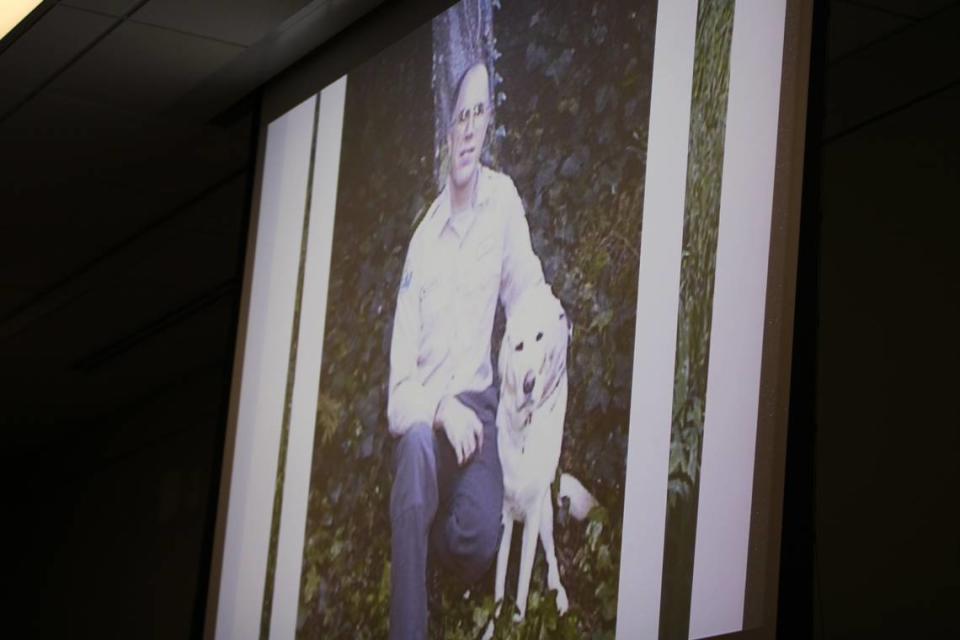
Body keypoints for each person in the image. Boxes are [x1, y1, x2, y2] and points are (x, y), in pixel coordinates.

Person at [387, 60, 546, 639]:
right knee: (412, 457)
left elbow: (526, 290)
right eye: (461, 116)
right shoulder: (422, 243)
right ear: (447, 130)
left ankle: (428, 532)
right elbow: (398, 392)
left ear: (487, 127)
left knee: (477, 539)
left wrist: (551, 329)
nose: (470, 128)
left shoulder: (501, 203)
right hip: (430, 428)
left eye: (480, 114)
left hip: (479, 416)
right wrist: (438, 409)